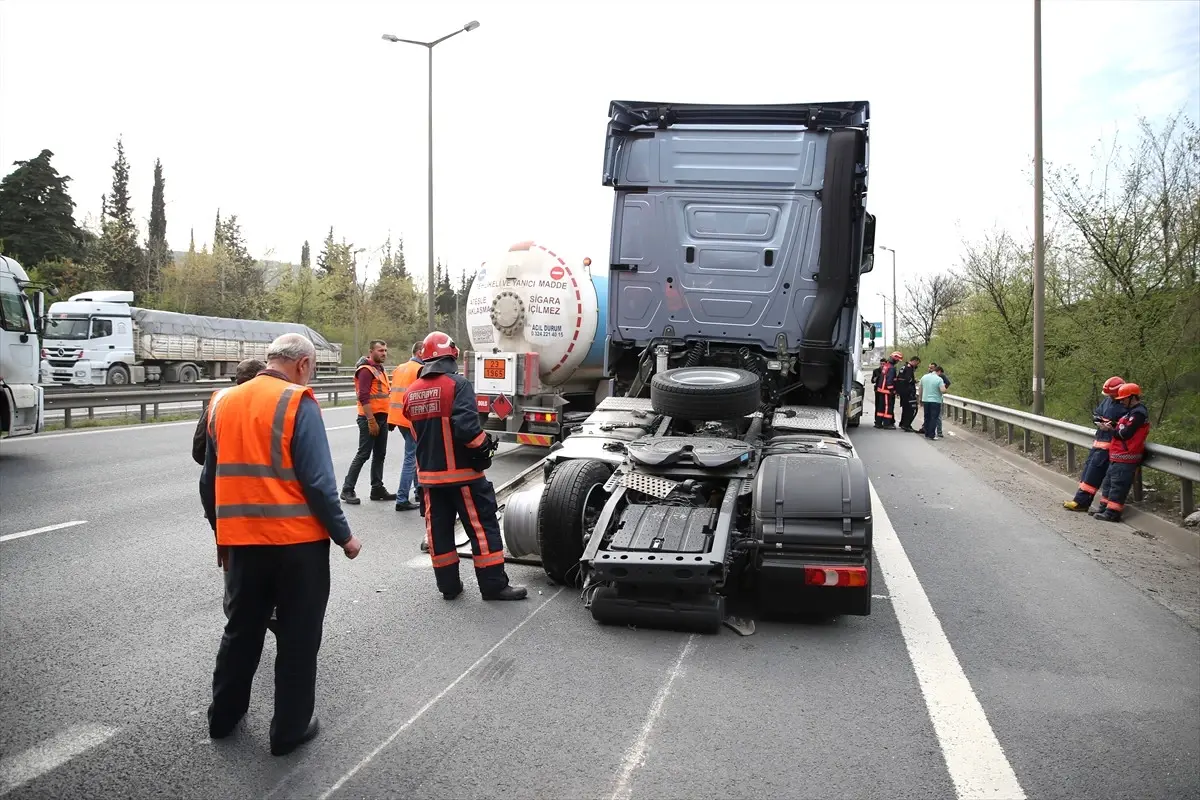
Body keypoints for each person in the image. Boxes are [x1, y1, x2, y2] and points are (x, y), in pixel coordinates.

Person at [199, 333, 362, 756]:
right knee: (298, 637)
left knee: (241, 632)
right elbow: (319, 483)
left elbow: (208, 481)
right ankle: (288, 730)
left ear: (270, 358)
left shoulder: (222, 402)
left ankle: (223, 717)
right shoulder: (298, 402)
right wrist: (345, 537)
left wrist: (223, 534)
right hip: (296, 547)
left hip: (241, 546)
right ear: (304, 364)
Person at [403, 330, 527, 602]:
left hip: (429, 479)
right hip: (464, 477)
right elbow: (469, 432)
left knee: (439, 532)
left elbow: (415, 433)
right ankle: (493, 586)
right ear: (452, 356)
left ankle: (449, 587)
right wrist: (485, 447)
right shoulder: (457, 385)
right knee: (482, 530)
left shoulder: (411, 392)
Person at [341, 339, 395, 504]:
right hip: (369, 418)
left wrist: (389, 417)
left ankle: (377, 488)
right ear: (371, 351)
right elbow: (363, 396)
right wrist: (371, 420)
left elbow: (385, 395)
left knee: (380, 454)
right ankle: (347, 489)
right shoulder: (365, 370)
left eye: (385, 350)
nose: (384, 353)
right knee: (363, 454)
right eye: (380, 350)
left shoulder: (380, 369)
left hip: (382, 417)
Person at [1063, 376, 1125, 513]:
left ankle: (1083, 502)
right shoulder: (1108, 401)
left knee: (1095, 475)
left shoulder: (1125, 405)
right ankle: (1082, 501)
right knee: (1088, 473)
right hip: (1099, 442)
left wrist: (1112, 425)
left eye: (1112, 394)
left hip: (1111, 447)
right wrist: (1098, 420)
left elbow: (1125, 426)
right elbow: (1097, 413)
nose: (1110, 397)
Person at [1092, 382, 1150, 523]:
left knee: (1118, 485)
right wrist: (1112, 426)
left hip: (1127, 456)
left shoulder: (1138, 413)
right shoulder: (1131, 412)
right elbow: (1121, 429)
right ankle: (1104, 508)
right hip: (1118, 454)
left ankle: (1112, 513)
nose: (1121, 401)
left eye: (1124, 399)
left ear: (1132, 397)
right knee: (1109, 483)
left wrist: (1111, 430)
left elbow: (1125, 433)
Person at [192, 358, 265, 466]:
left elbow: (199, 452)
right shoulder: (273, 406)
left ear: (237, 379)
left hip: (220, 478)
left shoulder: (217, 404)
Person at [387, 342, 424, 512]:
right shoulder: (419, 369)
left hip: (397, 417)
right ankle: (402, 498)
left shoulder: (400, 367)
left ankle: (419, 492)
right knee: (411, 458)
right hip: (410, 418)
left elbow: (393, 392)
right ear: (419, 352)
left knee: (415, 454)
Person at [894, 355, 921, 432]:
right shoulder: (909, 368)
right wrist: (914, 381)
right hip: (908, 392)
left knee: (905, 408)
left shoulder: (903, 367)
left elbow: (901, 378)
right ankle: (907, 425)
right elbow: (908, 379)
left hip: (902, 392)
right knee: (912, 409)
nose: (916, 365)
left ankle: (903, 423)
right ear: (914, 361)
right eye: (917, 363)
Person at [918, 364, 945, 439]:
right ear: (939, 371)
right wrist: (946, 390)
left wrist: (920, 399)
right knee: (934, 418)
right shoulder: (939, 379)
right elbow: (942, 390)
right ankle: (932, 435)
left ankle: (926, 433)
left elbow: (920, 389)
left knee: (927, 417)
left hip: (925, 400)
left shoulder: (924, 377)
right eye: (941, 373)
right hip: (935, 401)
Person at [873, 354, 898, 429]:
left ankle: (878, 423)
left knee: (881, 407)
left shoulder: (886, 366)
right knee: (887, 407)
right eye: (897, 361)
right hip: (886, 391)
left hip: (881, 390)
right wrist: (892, 390)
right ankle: (887, 424)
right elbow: (889, 380)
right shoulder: (891, 368)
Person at [934, 365, 951, 438]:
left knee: (935, 415)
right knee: (937, 415)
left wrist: (943, 388)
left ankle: (935, 431)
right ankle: (938, 431)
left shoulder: (941, 376)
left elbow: (948, 382)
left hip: (934, 397)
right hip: (937, 398)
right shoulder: (937, 376)